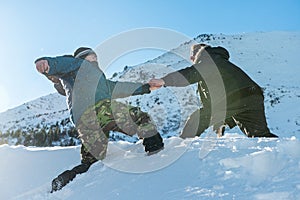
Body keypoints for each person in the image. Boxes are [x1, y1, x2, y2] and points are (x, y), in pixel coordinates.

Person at [35, 47, 164, 192]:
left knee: (91, 161)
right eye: (91, 57)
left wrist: (146, 87)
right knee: (140, 117)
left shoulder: (99, 80)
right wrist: (47, 64)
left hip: (84, 123)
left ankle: (65, 179)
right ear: (82, 58)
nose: (95, 59)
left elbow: (121, 87)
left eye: (96, 57)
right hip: (101, 110)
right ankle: (156, 152)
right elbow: (62, 63)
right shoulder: (78, 65)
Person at [149, 44, 278, 139]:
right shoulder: (219, 61)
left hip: (236, 96)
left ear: (194, 55)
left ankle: (182, 145)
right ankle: (284, 154)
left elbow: (190, 74)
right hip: (252, 94)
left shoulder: (208, 61)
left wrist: (164, 81)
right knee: (260, 135)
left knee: (198, 117)